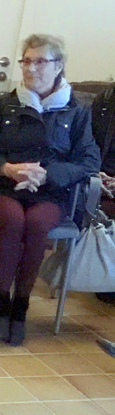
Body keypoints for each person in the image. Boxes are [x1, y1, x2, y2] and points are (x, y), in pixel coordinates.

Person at [0, 34, 100, 345]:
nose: (30, 69)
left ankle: (21, 306)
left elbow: (89, 159)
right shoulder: (4, 104)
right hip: (4, 187)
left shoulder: (75, 111)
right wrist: (7, 168)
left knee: (37, 223)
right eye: (26, 61)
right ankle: (1, 301)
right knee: (13, 220)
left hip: (50, 191)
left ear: (59, 66)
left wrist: (48, 174)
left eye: (40, 62)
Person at [91, 83, 115, 304]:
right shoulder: (105, 101)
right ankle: (106, 280)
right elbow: (86, 147)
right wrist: (94, 172)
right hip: (100, 180)